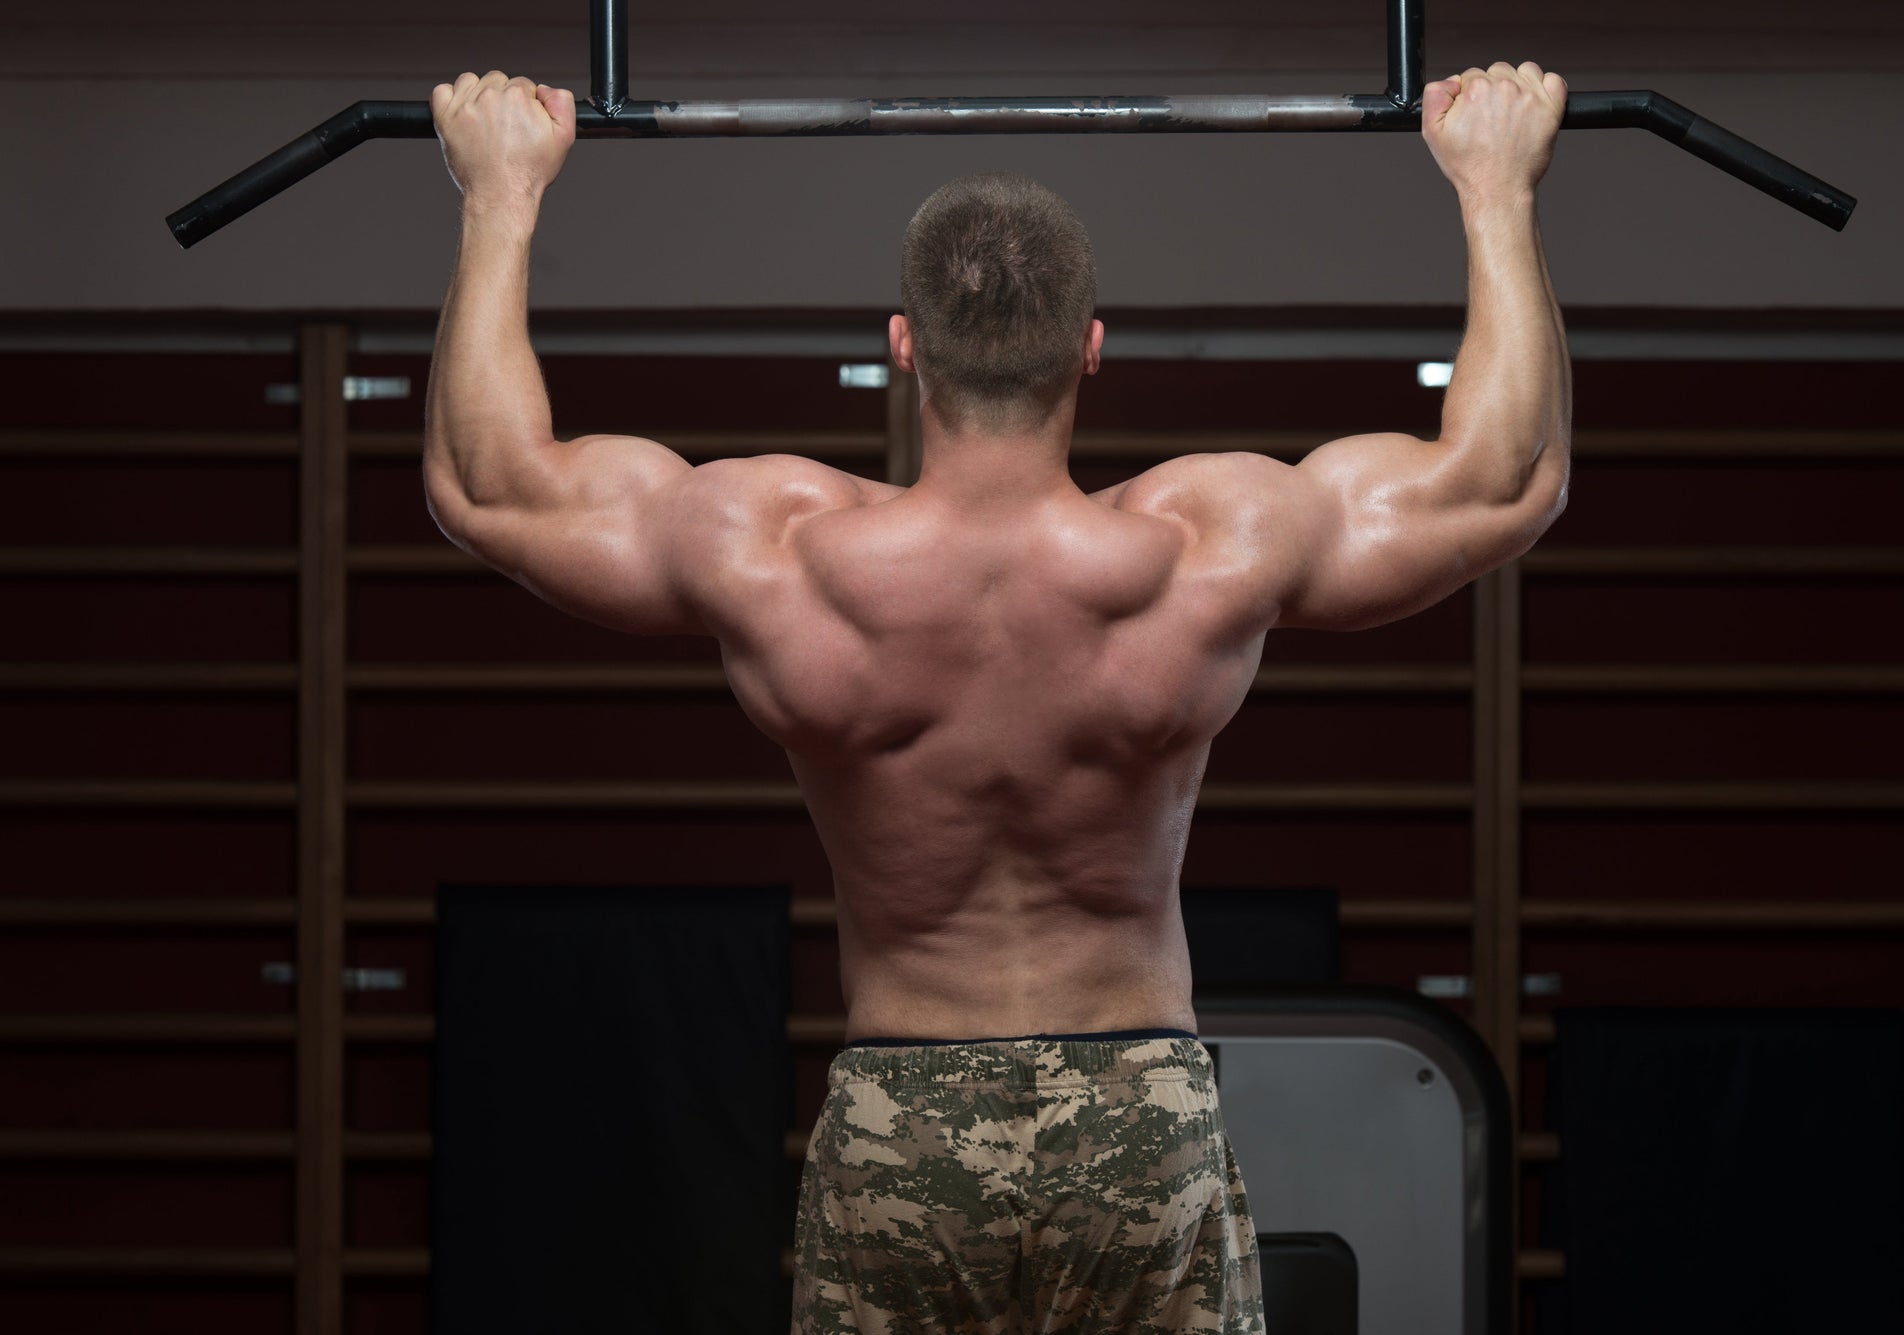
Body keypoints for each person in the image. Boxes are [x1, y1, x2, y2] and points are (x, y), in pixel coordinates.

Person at [425, 58, 1569, 1335]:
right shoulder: (1205, 547)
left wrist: (501, 194)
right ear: (1091, 345)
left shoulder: (780, 553)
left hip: (902, 1119)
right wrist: (1493, 186)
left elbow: (489, 486)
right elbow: (1500, 479)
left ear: (902, 343)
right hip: (1136, 1113)